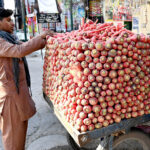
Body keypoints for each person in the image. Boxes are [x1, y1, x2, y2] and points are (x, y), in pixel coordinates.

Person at [0, 8, 53, 150]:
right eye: (8, 20)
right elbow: (19, 51)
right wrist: (39, 37)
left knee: (19, 139)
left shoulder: (9, 38)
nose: (12, 23)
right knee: (13, 142)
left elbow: (22, 46)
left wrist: (45, 40)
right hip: (10, 99)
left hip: (19, 95)